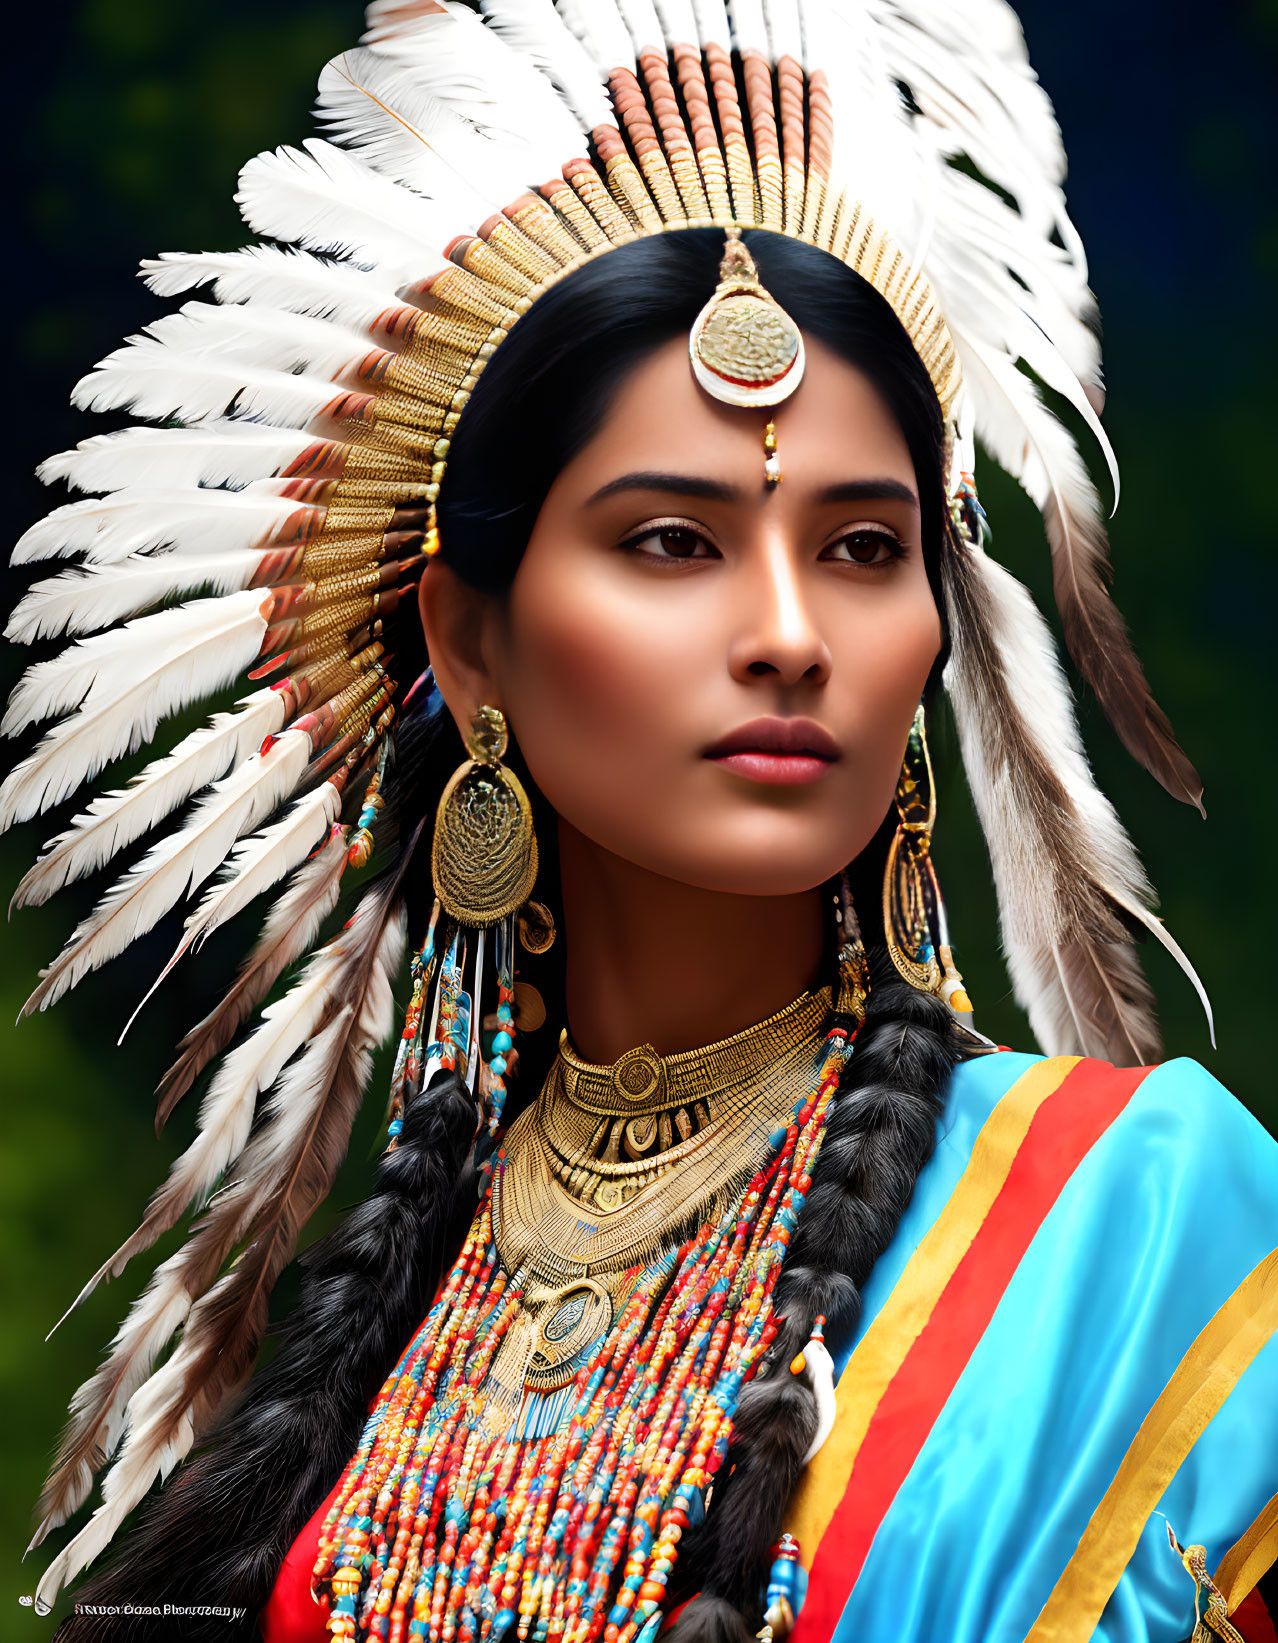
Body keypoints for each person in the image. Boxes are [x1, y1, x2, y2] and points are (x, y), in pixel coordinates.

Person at [5, 4, 1275, 1641]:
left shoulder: (1138, 1232)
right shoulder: (366, 1368)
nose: (789, 631)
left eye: (863, 548)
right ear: (471, 645)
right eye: (673, 541)